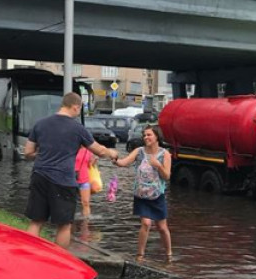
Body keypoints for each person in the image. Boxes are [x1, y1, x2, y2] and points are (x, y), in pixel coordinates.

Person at [24, 92, 118, 249]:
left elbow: (28, 152)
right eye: (79, 109)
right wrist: (112, 153)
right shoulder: (77, 128)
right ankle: (58, 262)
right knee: (64, 225)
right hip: (62, 181)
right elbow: (99, 151)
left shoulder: (40, 124)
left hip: (39, 176)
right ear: (75, 107)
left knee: (36, 221)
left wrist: (45, 154)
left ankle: (28, 255)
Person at [113, 124, 172, 262]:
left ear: (157, 136)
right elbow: (124, 162)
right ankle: (140, 255)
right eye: (144, 135)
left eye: (149, 135)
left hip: (157, 195)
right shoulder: (139, 151)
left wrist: (158, 165)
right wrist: (115, 159)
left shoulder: (165, 154)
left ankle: (169, 254)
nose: (146, 137)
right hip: (141, 194)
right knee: (146, 223)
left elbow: (167, 176)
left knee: (162, 227)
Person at [75, 146, 98, 218]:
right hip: (71, 179)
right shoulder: (71, 148)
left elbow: (90, 165)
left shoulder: (88, 151)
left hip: (84, 180)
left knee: (86, 202)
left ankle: (85, 223)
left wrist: (94, 162)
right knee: (71, 203)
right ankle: (70, 223)